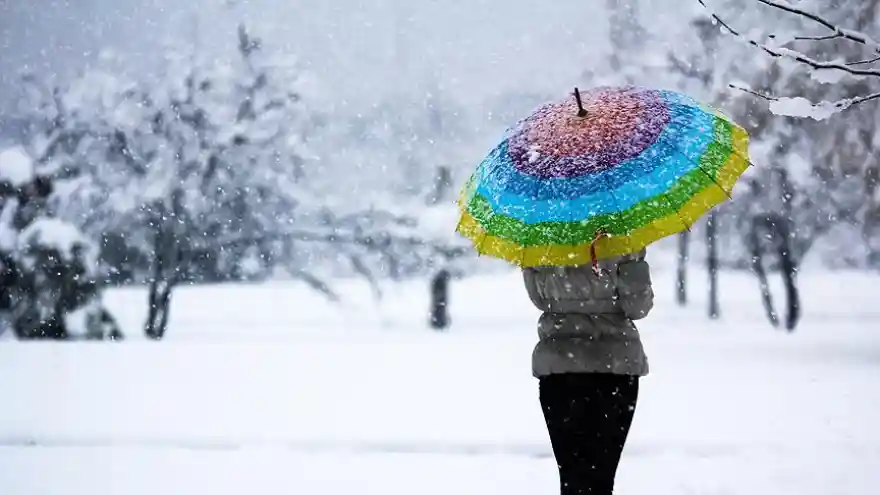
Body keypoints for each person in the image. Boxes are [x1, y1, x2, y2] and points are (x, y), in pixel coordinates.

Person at [522, 248, 654, 495]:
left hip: (560, 367)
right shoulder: (623, 235)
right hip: (615, 367)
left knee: (572, 477)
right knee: (601, 478)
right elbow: (638, 306)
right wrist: (632, 261)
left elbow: (540, 299)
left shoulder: (542, 233)